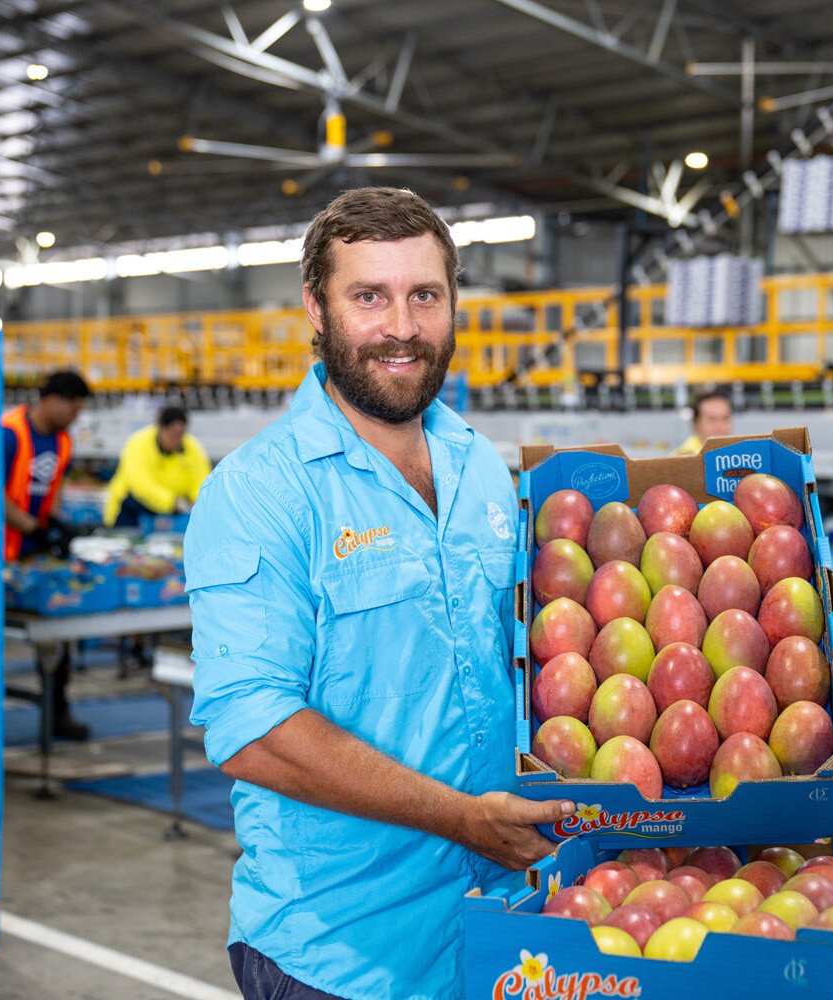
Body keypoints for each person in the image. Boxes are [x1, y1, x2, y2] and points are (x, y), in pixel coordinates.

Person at [184, 187, 572, 1000]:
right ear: (316, 312)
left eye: (423, 295)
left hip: (505, 929)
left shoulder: (482, 470)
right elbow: (253, 728)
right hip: (343, 953)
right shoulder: (260, 493)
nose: (401, 326)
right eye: (369, 296)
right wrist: (459, 818)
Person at [2, 369, 93, 740]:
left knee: (56, 636)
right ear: (53, 399)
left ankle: (58, 712)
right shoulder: (9, 432)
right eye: (73, 406)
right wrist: (29, 526)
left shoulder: (63, 442)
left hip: (33, 554)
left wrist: (56, 525)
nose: (76, 415)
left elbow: (51, 490)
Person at [102, 405, 212, 527]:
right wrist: (172, 502)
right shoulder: (139, 444)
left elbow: (201, 482)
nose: (176, 439)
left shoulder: (192, 449)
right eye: (172, 434)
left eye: (180, 434)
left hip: (168, 515)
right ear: (161, 428)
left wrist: (198, 504)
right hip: (131, 512)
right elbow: (141, 484)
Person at [674, 390, 733, 454]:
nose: (720, 425)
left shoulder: (740, 456)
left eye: (725, 418)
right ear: (695, 423)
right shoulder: (681, 460)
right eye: (712, 419)